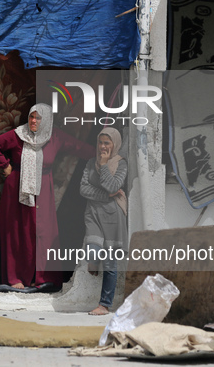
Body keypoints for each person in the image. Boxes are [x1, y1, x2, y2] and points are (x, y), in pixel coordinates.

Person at [0, 103, 94, 293]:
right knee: (17, 232)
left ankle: (45, 278)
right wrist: (4, 165)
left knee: (45, 232)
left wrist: (103, 155)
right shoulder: (19, 135)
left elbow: (79, 147)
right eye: (31, 117)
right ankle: (15, 278)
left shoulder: (55, 136)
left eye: (38, 118)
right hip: (17, 190)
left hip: (43, 190)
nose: (34, 121)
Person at [80, 127, 128, 315]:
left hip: (113, 217)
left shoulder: (121, 164)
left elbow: (113, 184)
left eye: (107, 143)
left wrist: (105, 164)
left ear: (114, 144)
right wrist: (106, 195)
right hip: (93, 213)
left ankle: (104, 305)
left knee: (110, 261)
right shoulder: (91, 163)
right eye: (100, 142)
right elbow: (83, 189)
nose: (102, 146)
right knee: (92, 250)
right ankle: (93, 261)